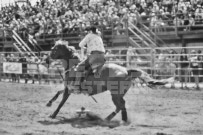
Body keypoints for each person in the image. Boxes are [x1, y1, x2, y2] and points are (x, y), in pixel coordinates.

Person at [73, 26, 106, 90]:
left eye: (87, 31)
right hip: (102, 56)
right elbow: (95, 47)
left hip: (94, 56)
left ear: (90, 31)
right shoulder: (98, 36)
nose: (86, 32)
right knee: (89, 69)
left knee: (80, 67)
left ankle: (76, 86)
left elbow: (80, 45)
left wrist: (84, 47)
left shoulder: (89, 35)